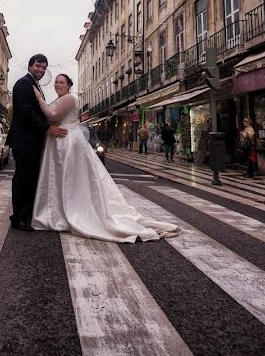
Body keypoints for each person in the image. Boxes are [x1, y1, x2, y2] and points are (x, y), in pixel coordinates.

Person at [31, 74, 179, 242]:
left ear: (69, 85)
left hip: (68, 142)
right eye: (56, 82)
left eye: (61, 82)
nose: (58, 84)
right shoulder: (62, 98)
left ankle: (69, 211)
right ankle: (60, 211)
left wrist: (38, 98)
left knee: (69, 179)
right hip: (62, 141)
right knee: (65, 179)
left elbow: (51, 115)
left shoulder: (69, 98)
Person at [10, 54, 63, 231]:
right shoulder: (25, 84)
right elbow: (26, 111)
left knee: (29, 178)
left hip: (30, 140)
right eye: (38, 66)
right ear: (30, 66)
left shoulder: (33, 84)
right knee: (24, 179)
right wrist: (47, 128)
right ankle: (19, 218)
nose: (41, 70)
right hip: (25, 140)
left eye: (43, 67)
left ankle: (23, 215)